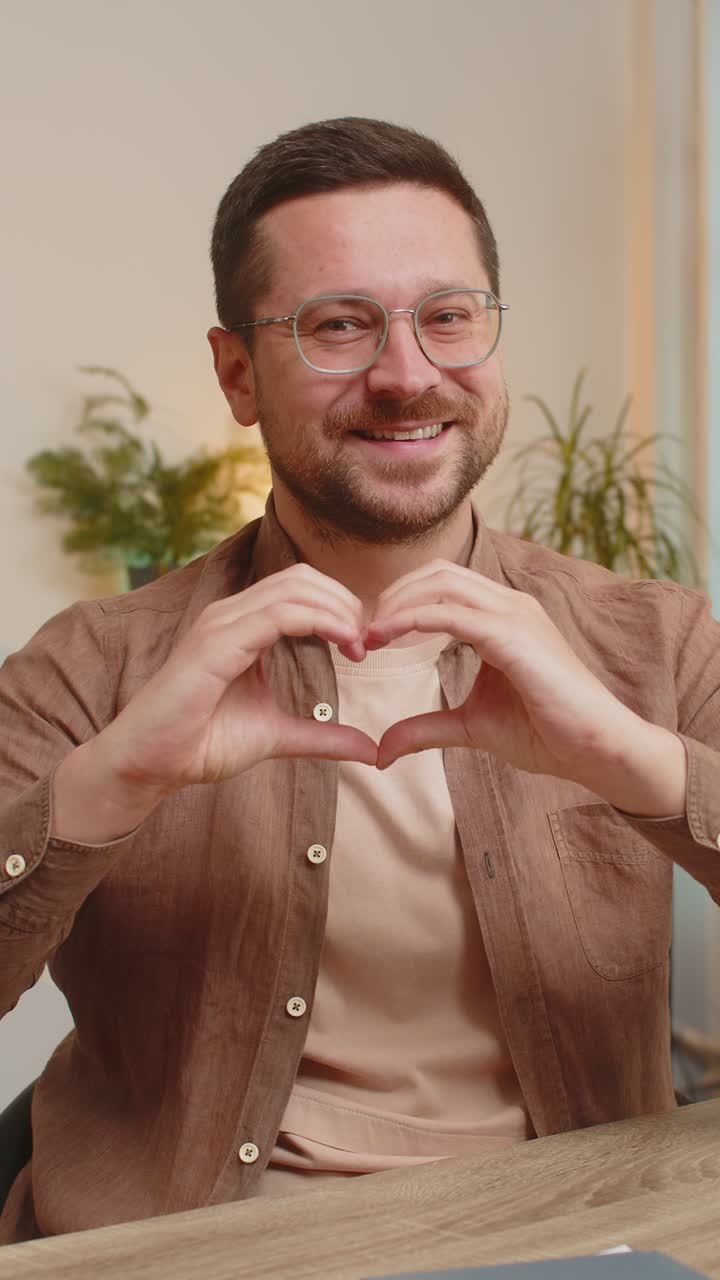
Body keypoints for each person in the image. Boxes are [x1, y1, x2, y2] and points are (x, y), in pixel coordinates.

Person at [1, 116, 719, 1245]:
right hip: (192, 1252)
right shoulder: (90, 666)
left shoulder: (659, 641)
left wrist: (633, 761)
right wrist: (110, 784)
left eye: (448, 318)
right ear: (237, 373)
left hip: (576, 1243)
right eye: (339, 326)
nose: (406, 374)